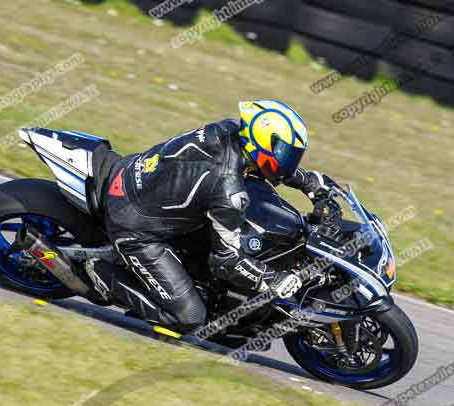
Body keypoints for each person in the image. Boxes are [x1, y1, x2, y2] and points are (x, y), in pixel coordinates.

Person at [86, 100, 337, 332]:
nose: (289, 160)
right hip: (132, 224)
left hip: (139, 178)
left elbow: (269, 166)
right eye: (286, 153)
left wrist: (310, 183)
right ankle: (100, 274)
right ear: (263, 143)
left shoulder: (229, 130)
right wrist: (271, 280)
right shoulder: (227, 189)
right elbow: (225, 261)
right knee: (188, 318)